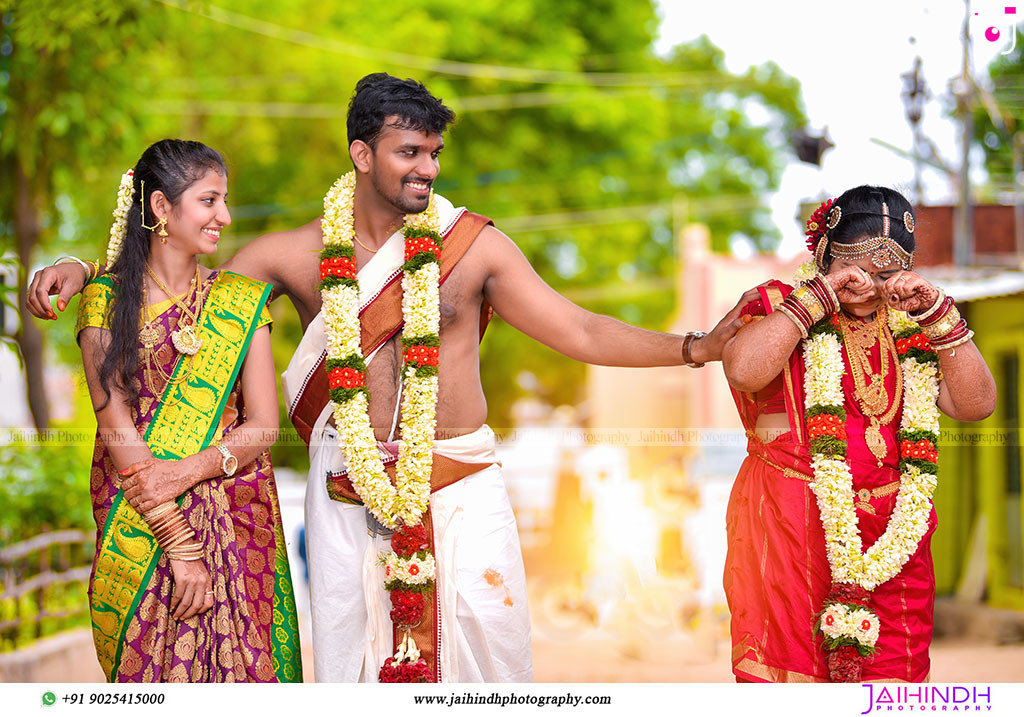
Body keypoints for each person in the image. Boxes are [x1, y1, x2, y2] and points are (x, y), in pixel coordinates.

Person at [31, 74, 754, 683]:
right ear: (361, 153)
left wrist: (698, 346)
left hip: (461, 482)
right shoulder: (292, 255)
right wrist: (81, 271)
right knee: (353, 674)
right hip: (344, 489)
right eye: (409, 151)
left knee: (492, 675)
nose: (427, 169)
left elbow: (580, 329)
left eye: (434, 153)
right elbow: (178, 294)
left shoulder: (473, 247)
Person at [721, 185, 996, 683]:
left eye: (886, 274)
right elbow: (744, 369)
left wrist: (939, 316)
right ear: (824, 257)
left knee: (893, 685)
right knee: (794, 686)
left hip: (894, 537)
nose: (869, 287)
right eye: (855, 270)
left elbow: (976, 405)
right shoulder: (781, 305)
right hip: (791, 526)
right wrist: (819, 298)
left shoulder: (913, 324)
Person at [75, 139, 302, 682]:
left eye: (224, 201)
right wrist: (178, 543)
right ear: (160, 207)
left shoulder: (241, 302)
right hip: (144, 528)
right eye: (209, 201)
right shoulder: (105, 301)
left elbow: (265, 426)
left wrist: (191, 469)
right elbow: (116, 428)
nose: (224, 216)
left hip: (237, 520)